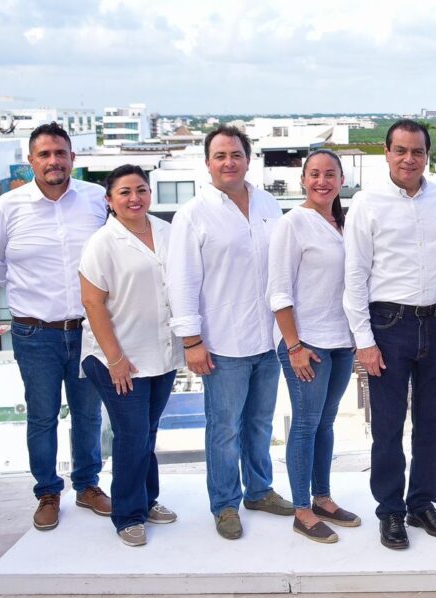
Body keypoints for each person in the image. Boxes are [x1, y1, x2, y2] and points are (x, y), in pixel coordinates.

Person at [0, 122, 111, 530]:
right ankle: (48, 493)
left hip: (88, 330)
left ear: (72, 157)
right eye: (45, 154)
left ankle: (87, 486)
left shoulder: (95, 199)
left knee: (88, 414)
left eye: (60, 153)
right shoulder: (7, 207)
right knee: (42, 416)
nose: (54, 161)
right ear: (31, 161)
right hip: (35, 333)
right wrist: (30, 291)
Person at [167, 125, 294, 540]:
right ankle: (225, 504)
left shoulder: (268, 204)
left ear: (248, 159)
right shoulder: (193, 214)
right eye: (220, 156)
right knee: (224, 429)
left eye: (236, 154)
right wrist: (191, 341)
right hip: (222, 342)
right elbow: (181, 281)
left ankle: (259, 490)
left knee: (260, 423)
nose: (229, 162)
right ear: (207, 163)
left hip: (268, 338)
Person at [344, 119, 436, 550]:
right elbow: (354, 275)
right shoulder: (367, 203)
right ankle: (390, 510)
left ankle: (422, 503)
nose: (409, 159)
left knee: (434, 425)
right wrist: (364, 342)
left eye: (417, 151)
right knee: (388, 426)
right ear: (387, 153)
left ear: (427, 155)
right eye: (401, 150)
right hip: (389, 325)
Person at [78, 165, 183, 547]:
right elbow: (92, 303)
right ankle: (127, 515)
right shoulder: (102, 243)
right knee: (132, 434)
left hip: (161, 353)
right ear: (110, 200)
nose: (134, 198)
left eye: (141, 189)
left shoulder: (168, 232)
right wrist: (116, 359)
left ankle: (147, 499)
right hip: (118, 358)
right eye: (124, 192)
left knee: (147, 432)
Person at [267, 149, 361, 545]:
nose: (323, 181)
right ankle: (302, 509)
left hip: (341, 342)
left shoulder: (345, 224)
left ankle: (323, 498)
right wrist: (294, 346)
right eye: (315, 174)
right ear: (303, 180)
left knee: (325, 423)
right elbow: (278, 291)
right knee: (305, 424)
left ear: (342, 181)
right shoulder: (292, 224)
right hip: (307, 344)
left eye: (330, 174)